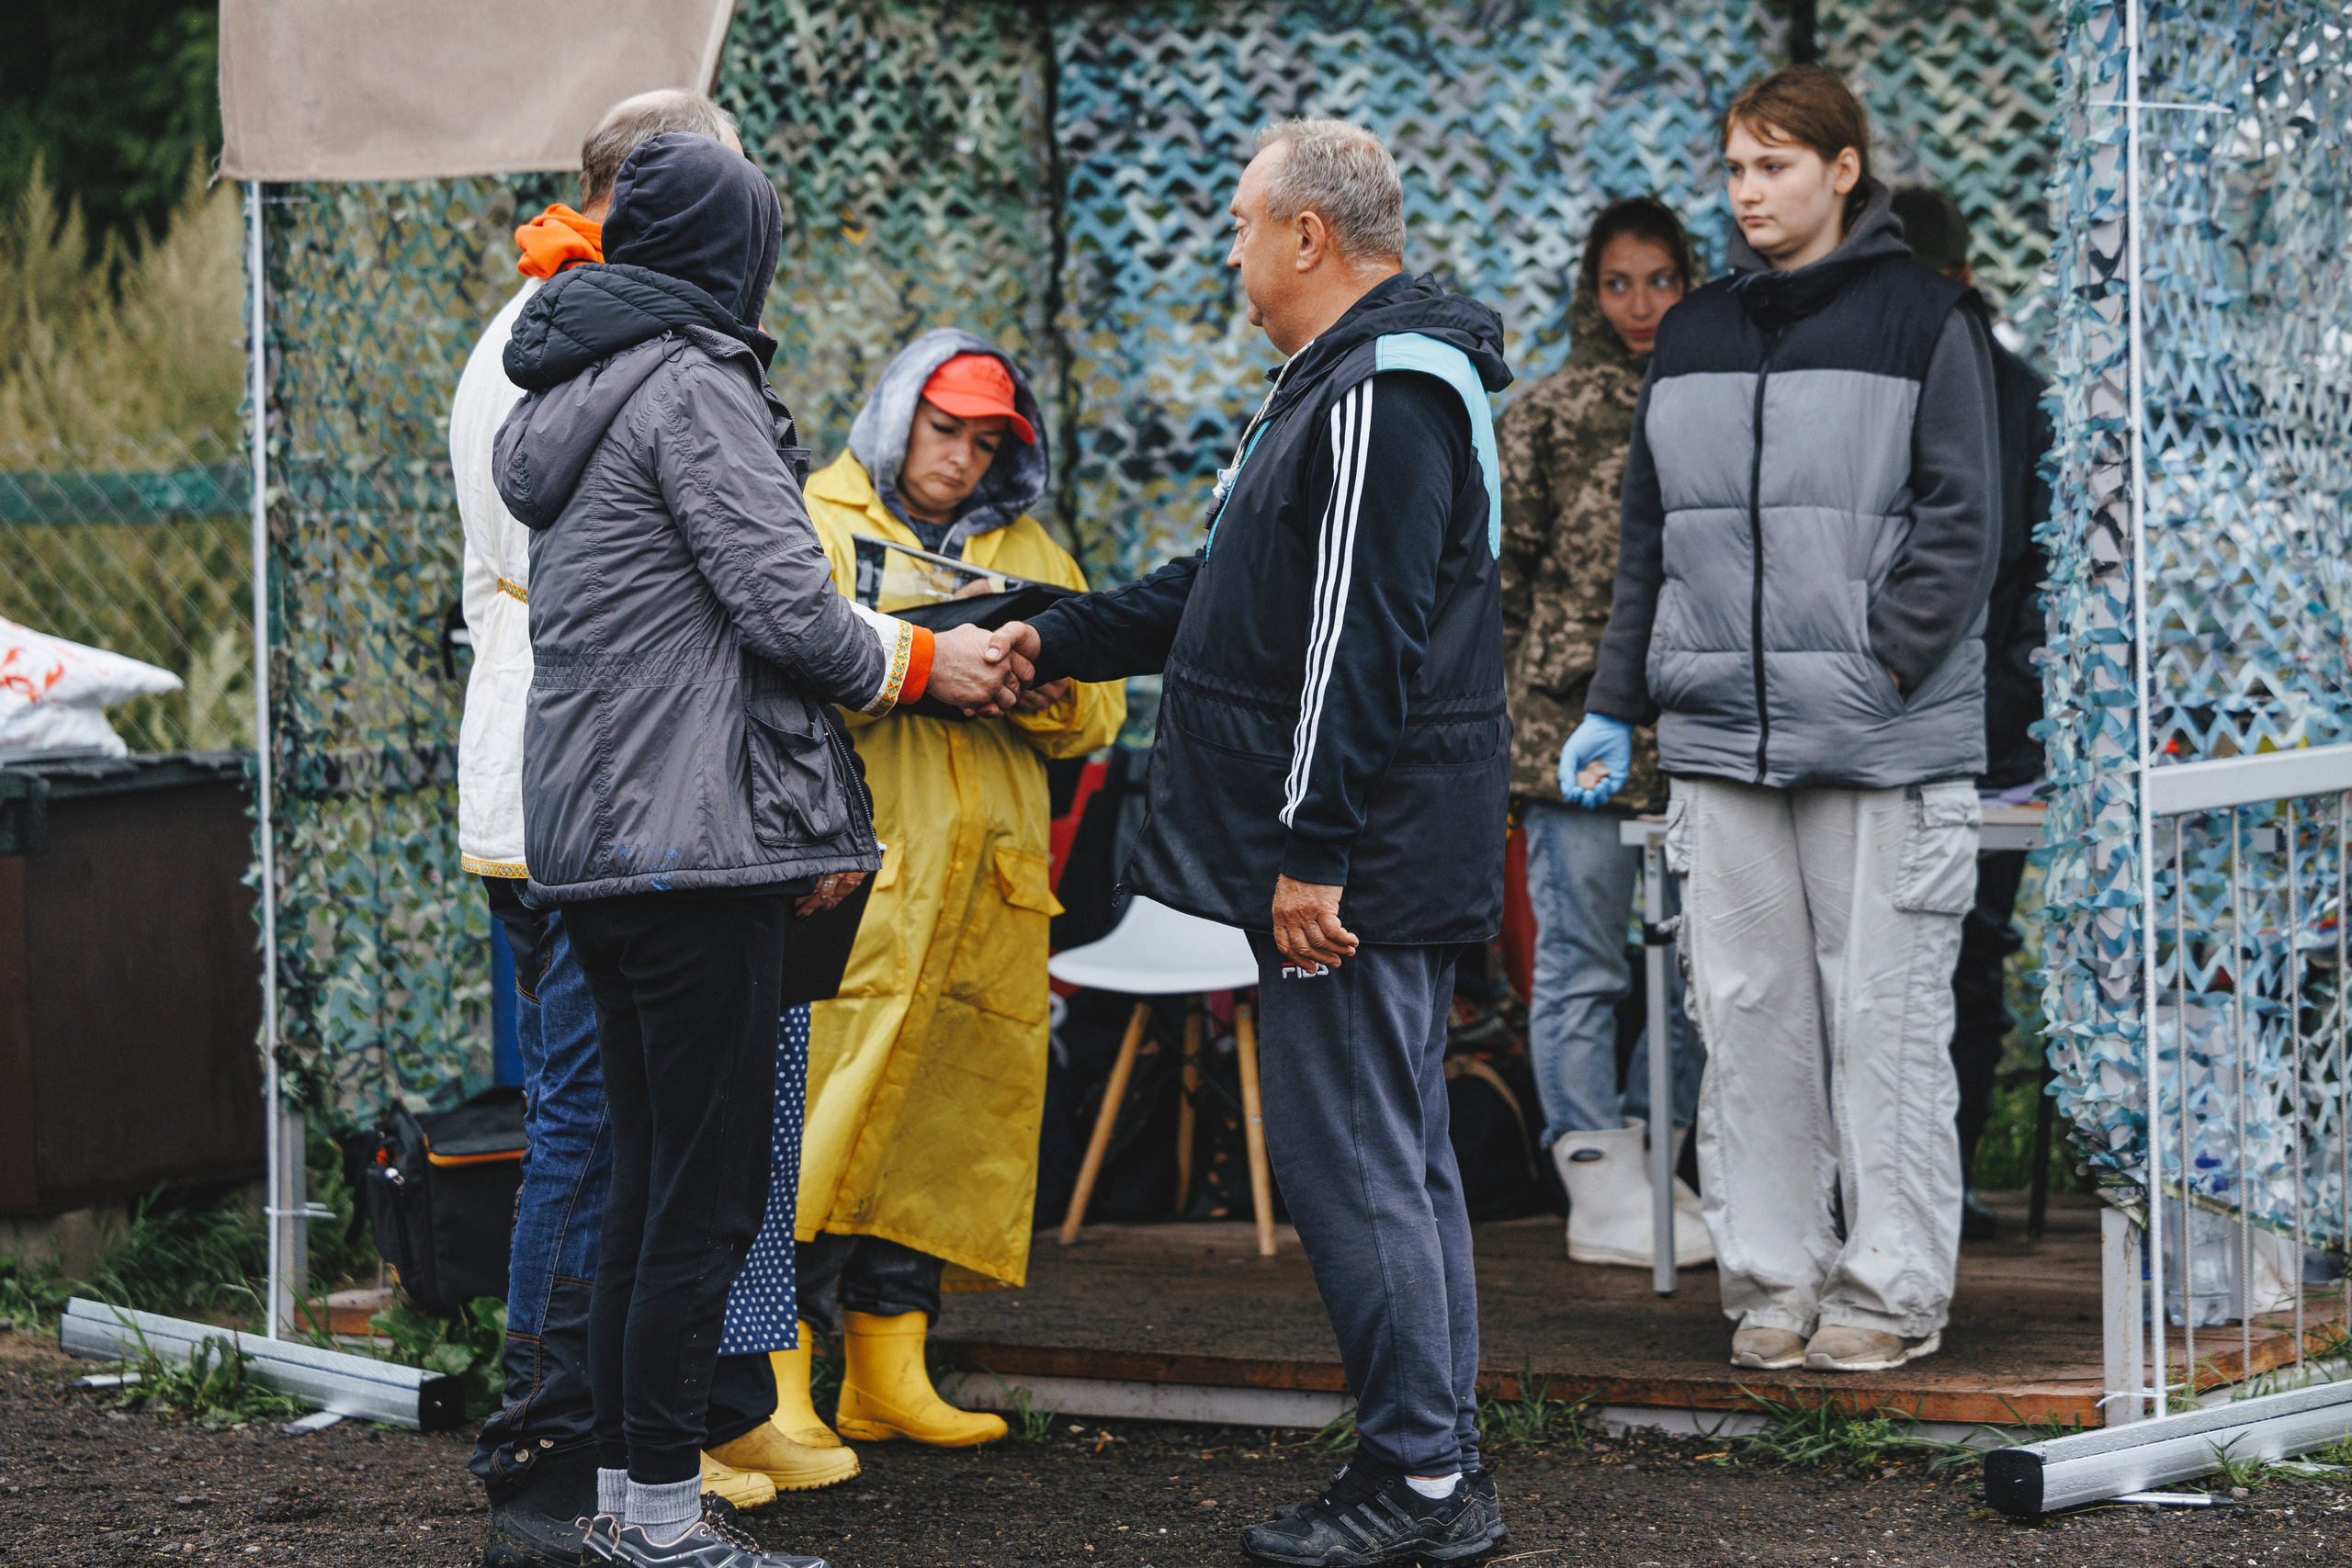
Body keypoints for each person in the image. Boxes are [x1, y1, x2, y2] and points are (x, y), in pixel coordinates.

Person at [492, 131, 1025, 1568]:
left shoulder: (582, 383)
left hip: (599, 842)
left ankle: (622, 1508)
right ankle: (668, 1521)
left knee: (648, 1181)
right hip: (693, 845)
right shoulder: (692, 383)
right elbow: (789, 607)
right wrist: (923, 662)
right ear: (735, 257)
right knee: (709, 1194)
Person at [988, 118, 1513, 1565]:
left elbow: (1359, 639)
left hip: (1360, 864)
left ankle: (1418, 1477)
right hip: (1376, 851)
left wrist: (1315, 847)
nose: (1230, 254)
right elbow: (1224, 591)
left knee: (1354, 1159)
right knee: (1396, 1155)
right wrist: (1049, 633)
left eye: (1239, 224)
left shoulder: (1383, 390)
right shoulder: (1343, 385)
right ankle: (1436, 1460)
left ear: (1308, 234)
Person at [1567, 65, 2002, 1375]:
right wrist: (1615, 702)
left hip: (1882, 743)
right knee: (1747, 1024)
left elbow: (1965, 523)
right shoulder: (1693, 330)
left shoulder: (1927, 316)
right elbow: (1649, 536)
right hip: (1719, 746)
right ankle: (1773, 1277)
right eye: (1736, 168)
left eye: (1776, 166)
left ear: (1842, 171)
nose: (1748, 192)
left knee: (1884, 1027)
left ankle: (1890, 1290)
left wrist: (1880, 666)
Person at [451, 90, 813, 1568]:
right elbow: (770, 596)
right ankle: (581, 1475)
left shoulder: (564, 351)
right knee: (636, 1164)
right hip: (663, 815)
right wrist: (918, 657)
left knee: (623, 1153)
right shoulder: (656, 369)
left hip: (584, 802)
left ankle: (612, 1480)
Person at [753, 333, 1127, 1456]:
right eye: (943, 428)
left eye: (984, 442)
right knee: (808, 1135)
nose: (960, 457)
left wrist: (1052, 688)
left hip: (983, 898)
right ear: (895, 417)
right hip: (855, 889)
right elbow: (774, 673)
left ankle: (888, 1375)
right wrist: (919, 665)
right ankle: (771, 1387)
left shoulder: (1032, 552)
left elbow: (1102, 716)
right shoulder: (814, 524)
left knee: (938, 1138)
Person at [1495, 197, 1712, 1269]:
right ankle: (1591, 1168)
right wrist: (1500, 735)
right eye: (1618, 282)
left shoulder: (1717, 403)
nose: (1639, 304)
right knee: (1581, 958)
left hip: (1699, 730)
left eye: (1660, 280)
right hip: (1564, 733)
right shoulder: (1543, 412)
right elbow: (1498, 582)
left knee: (1700, 967)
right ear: (1590, 291)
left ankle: (1651, 1157)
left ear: (1690, 284)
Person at [1888, 185, 2053, 1241]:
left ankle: (1944, 1175)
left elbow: (2039, 576)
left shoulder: (2017, 394)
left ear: (1956, 279)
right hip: (1868, 727)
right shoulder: (1858, 376)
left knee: (1973, 952)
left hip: (1986, 741)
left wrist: (2004, 710)